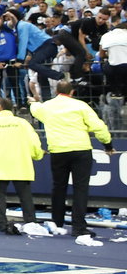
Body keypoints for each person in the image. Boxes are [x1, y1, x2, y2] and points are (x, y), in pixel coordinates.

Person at [28, 80, 112, 238]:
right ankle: (78, 227)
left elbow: (35, 109)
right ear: (72, 92)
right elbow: (98, 126)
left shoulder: (47, 107)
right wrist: (108, 145)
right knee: (81, 189)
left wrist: (33, 101)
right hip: (81, 150)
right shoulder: (80, 106)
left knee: (58, 187)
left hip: (58, 151)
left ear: (56, 91)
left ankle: (57, 223)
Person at [0, 98, 43, 235]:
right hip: (20, 164)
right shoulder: (23, 124)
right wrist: (37, 155)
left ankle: (2, 224)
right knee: (25, 197)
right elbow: (34, 144)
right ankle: (30, 223)